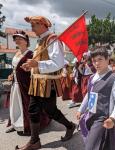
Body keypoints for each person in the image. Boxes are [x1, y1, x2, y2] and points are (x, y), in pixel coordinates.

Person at [16, 16, 76, 150]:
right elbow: (38, 61)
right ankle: (34, 141)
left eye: (33, 26)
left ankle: (70, 126)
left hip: (48, 83)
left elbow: (58, 63)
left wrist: (37, 63)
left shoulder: (52, 39)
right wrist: (31, 66)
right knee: (32, 110)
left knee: (51, 111)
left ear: (42, 25)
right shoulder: (40, 41)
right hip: (37, 82)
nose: (31, 29)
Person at [77, 47, 115, 150]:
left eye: (100, 59)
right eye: (94, 61)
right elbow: (88, 95)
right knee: (103, 143)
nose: (96, 63)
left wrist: (113, 117)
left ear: (108, 59)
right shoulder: (92, 78)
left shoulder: (113, 79)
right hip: (90, 115)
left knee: (91, 146)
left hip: (102, 118)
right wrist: (81, 109)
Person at [6, 31, 50, 136]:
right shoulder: (16, 53)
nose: (17, 40)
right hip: (15, 84)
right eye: (16, 39)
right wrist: (12, 74)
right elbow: (14, 68)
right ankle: (15, 124)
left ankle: (26, 126)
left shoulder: (31, 54)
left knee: (27, 106)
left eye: (20, 38)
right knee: (15, 105)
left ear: (26, 41)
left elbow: (37, 69)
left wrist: (30, 68)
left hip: (26, 84)